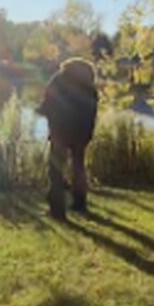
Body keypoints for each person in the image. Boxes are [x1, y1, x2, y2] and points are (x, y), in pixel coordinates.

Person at [36, 57, 98, 220]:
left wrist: (41, 110)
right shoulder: (90, 87)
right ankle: (80, 203)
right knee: (78, 168)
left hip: (60, 132)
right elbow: (92, 112)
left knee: (55, 170)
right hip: (81, 134)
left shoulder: (59, 81)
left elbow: (49, 103)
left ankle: (57, 210)